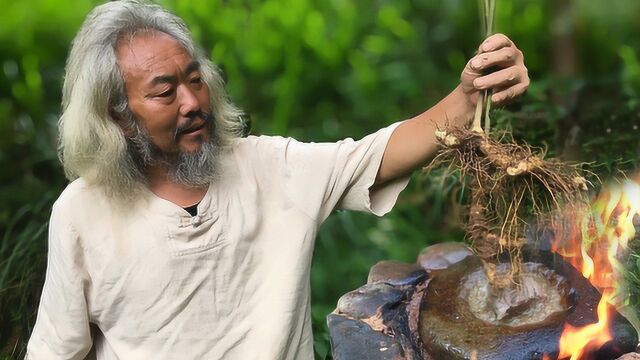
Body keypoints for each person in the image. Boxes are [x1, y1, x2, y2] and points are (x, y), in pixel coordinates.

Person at [26, 0, 529, 359]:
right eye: (164, 92)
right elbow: (58, 349)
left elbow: (381, 153)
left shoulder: (269, 168)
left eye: (194, 77)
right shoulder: (82, 212)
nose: (192, 102)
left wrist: (470, 94)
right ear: (117, 116)